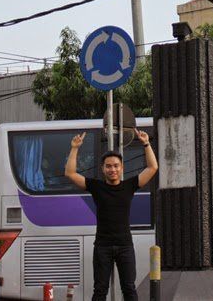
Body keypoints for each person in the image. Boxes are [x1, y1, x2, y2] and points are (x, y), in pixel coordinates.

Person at [65, 129, 158, 301]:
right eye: (108, 166)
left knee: (129, 289)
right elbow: (70, 173)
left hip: (125, 246)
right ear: (103, 169)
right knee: (100, 290)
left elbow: (152, 168)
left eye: (116, 166)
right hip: (102, 246)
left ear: (122, 168)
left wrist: (146, 143)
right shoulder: (96, 186)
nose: (112, 169)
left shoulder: (130, 185)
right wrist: (75, 148)